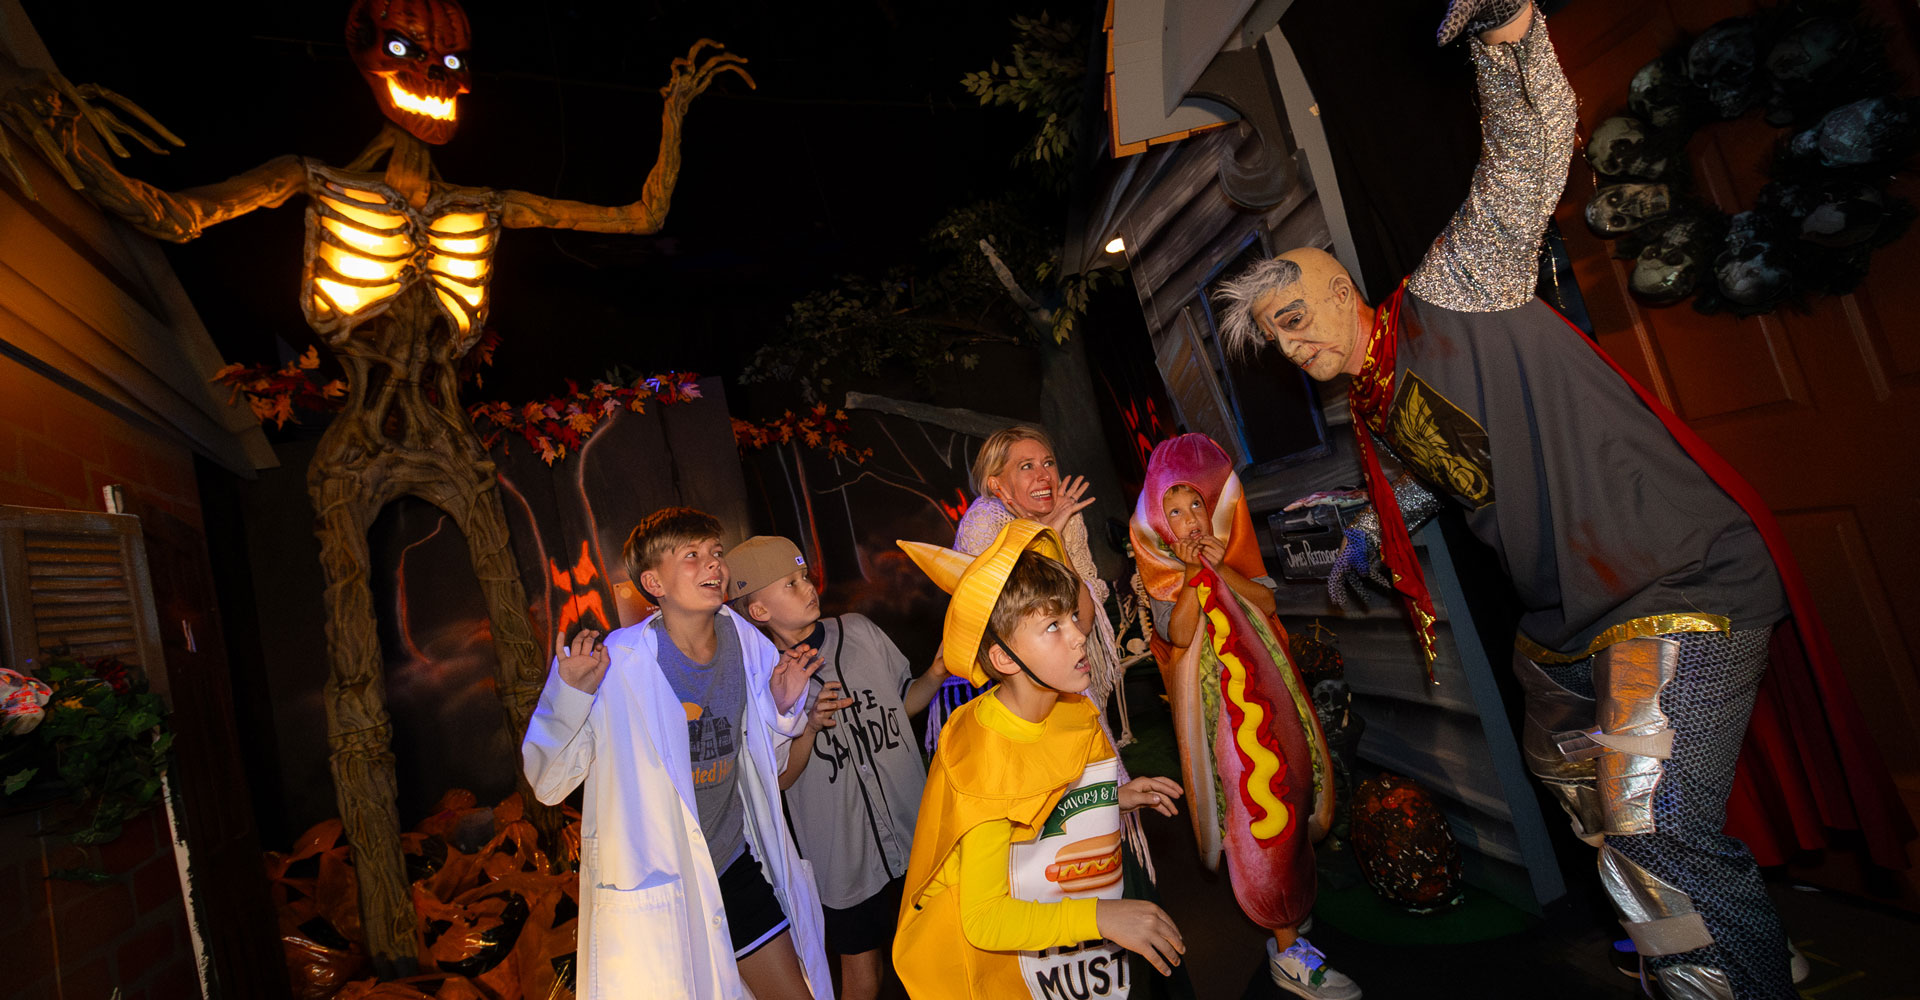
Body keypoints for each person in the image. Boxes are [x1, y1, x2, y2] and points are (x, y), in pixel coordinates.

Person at [1211, 2, 1910, 997]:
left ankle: (1735, 978)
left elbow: (1528, 160)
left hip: (1671, 572)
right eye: (1275, 342)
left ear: (1337, 292)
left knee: (1652, 818)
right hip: (1568, 623)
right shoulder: (1377, 398)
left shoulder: (1454, 290)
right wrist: (1365, 544)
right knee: (1591, 799)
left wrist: (1507, 39)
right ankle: (1730, 954)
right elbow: (1442, 477)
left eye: (1294, 320)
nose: (1293, 346)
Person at [521, 507, 833, 1000]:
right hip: (665, 885)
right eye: (691, 555)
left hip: (732, 863)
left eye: (714, 553)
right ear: (654, 582)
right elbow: (549, 781)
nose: (713, 565)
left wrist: (781, 705)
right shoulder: (620, 665)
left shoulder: (746, 641)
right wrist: (570, 694)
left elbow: (763, 768)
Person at [892, 521, 1185, 999]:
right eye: (1052, 626)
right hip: (985, 968)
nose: (1077, 636)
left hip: (1057, 947)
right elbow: (985, 920)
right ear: (1004, 659)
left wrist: (1112, 798)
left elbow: (1043, 803)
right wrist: (1099, 916)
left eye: (1072, 616)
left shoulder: (1074, 710)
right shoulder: (981, 756)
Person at [1129, 434, 1349, 999]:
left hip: (1273, 707)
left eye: (1194, 506)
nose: (1187, 521)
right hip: (1220, 723)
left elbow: (1266, 601)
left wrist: (1219, 569)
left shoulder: (1234, 558)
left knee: (1291, 794)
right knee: (1256, 809)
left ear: (1211, 507)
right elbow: (1176, 633)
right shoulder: (1164, 581)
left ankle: (1290, 924)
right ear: (1161, 525)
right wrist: (1192, 580)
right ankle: (1287, 950)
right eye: (1173, 513)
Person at [725, 534, 948, 1000]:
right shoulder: (762, 682)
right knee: (863, 974)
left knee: (943, 949)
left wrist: (936, 673)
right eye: (789, 583)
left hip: (917, 831)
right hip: (843, 856)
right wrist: (807, 726)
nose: (807, 587)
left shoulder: (859, 630)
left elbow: (901, 703)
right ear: (759, 612)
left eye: (804, 576)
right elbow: (777, 779)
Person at [949, 425, 1130, 746]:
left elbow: (1084, 621)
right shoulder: (984, 522)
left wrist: (1054, 537)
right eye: (1026, 466)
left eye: (1048, 463)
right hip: (1018, 691)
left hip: (1068, 671)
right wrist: (1037, 538)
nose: (1044, 475)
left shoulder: (1066, 518)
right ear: (996, 483)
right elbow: (1009, 629)